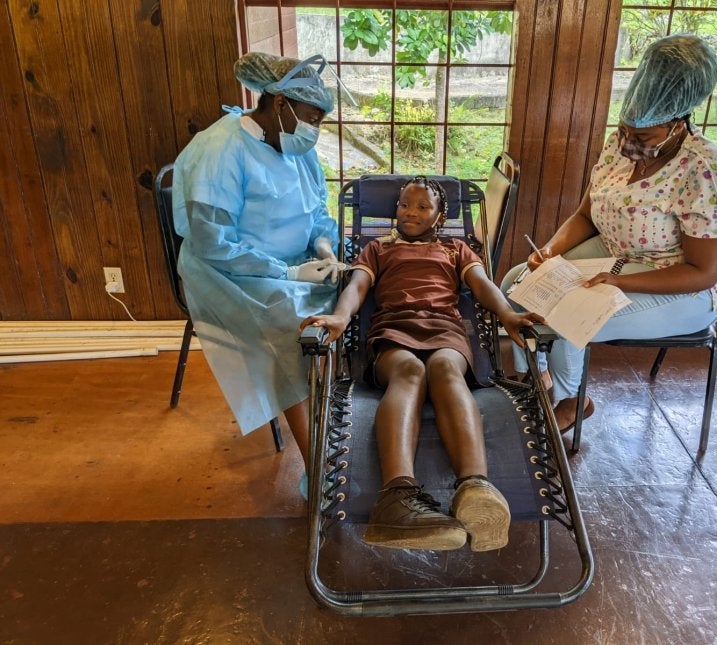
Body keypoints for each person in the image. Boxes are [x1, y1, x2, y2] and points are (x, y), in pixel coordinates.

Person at [502, 34, 717, 432]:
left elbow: (703, 272)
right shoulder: (621, 143)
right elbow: (587, 213)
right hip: (618, 251)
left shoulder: (708, 173)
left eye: (643, 137)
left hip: (684, 285)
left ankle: (569, 400)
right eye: (625, 129)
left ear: (677, 122)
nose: (629, 144)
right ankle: (538, 379)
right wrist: (550, 250)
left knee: (573, 315)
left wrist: (613, 281)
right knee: (516, 283)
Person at [300, 176, 542, 552]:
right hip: (392, 331)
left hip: (445, 330)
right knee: (410, 371)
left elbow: (481, 286)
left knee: (446, 368)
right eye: (404, 205)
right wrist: (340, 318)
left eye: (422, 207)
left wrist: (509, 316)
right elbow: (357, 288)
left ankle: (475, 488)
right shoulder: (377, 248)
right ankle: (396, 496)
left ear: (440, 215)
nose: (410, 212)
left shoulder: (456, 248)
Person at [172, 52, 345, 495]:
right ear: (277, 101)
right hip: (230, 272)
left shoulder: (292, 145)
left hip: (292, 264)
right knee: (294, 331)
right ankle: (318, 463)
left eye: (320, 120)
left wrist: (324, 246)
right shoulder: (221, 149)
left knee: (352, 300)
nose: (315, 129)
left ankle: (336, 419)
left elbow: (316, 210)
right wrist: (286, 272)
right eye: (311, 117)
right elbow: (213, 243)